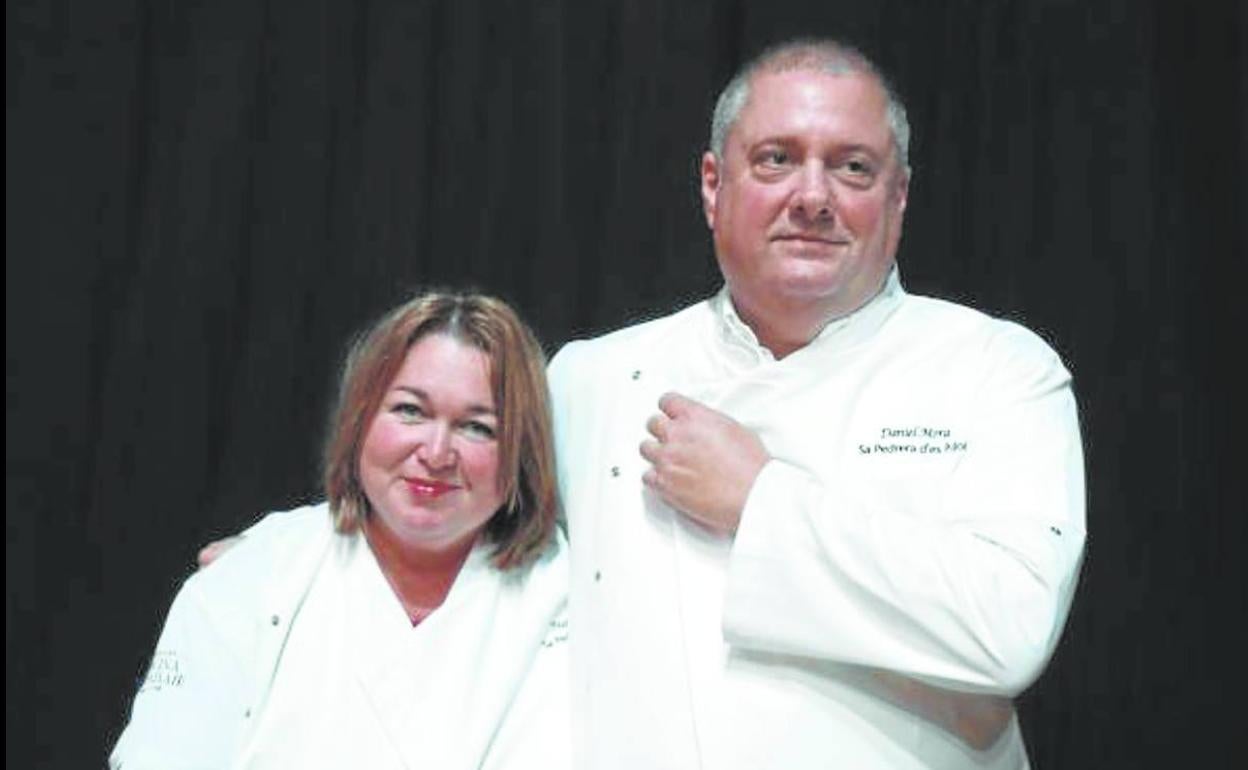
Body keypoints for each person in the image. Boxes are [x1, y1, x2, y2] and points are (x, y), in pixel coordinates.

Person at [547, 38, 1085, 769]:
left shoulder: (998, 370)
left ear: (898, 197)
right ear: (713, 185)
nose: (811, 197)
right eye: (775, 158)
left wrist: (762, 501)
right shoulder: (592, 380)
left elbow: (1010, 629)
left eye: (852, 167)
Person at [111, 291, 571, 770]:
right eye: (410, 410)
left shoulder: (567, 600)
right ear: (360, 417)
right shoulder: (256, 575)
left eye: (477, 427)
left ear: (522, 450)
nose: (436, 453)